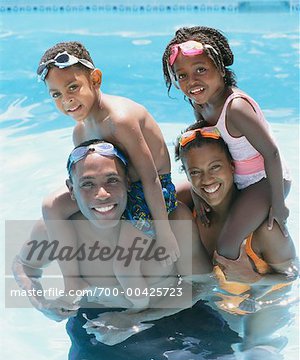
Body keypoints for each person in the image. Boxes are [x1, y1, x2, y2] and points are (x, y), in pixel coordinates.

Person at [36, 40, 180, 299]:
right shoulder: (80, 130)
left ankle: (139, 311)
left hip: (146, 192)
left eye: (73, 87)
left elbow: (149, 178)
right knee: (51, 206)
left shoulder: (119, 121)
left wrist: (165, 231)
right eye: (56, 94)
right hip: (114, 188)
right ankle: (73, 281)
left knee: (123, 265)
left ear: (96, 79)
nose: (66, 99)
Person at [12, 139, 212, 318]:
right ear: (71, 189)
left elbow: (200, 284)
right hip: (95, 322)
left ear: (127, 183)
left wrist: (135, 320)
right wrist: (42, 304)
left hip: (176, 316)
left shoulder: (173, 223)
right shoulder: (55, 230)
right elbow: (24, 266)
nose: (102, 194)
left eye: (112, 180)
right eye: (88, 184)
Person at [162, 26, 292, 272]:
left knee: (227, 243)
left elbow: (272, 153)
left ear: (221, 69)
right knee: (169, 196)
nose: (192, 82)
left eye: (201, 70)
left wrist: (278, 203)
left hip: (263, 180)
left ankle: (236, 288)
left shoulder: (236, 108)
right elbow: (201, 137)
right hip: (237, 175)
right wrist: (197, 195)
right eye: (182, 76)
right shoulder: (202, 102)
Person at [175, 123, 298, 350]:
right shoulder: (187, 206)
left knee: (258, 357)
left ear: (233, 166)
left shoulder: (265, 228)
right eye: (195, 172)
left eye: (215, 167)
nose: (207, 180)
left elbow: (291, 275)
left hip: (264, 301)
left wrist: (255, 279)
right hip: (219, 300)